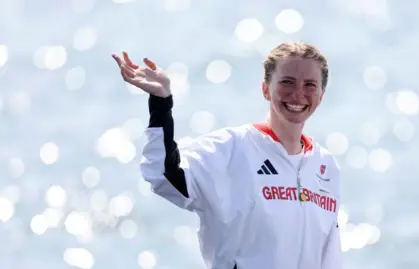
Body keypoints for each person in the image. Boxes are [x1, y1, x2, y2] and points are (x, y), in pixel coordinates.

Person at [112, 41, 342, 269]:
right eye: (287, 82)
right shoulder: (230, 148)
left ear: (321, 95)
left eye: (310, 85)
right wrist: (161, 103)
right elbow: (163, 175)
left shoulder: (326, 166)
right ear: (265, 89)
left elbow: (330, 257)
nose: (297, 94)